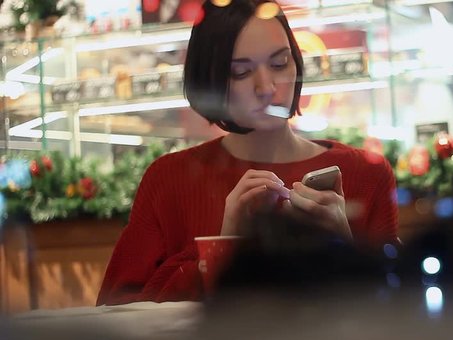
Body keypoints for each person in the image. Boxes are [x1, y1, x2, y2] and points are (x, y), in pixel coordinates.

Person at [97, 0, 398, 305]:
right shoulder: (169, 180)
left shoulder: (365, 174)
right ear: (210, 80)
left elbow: (401, 317)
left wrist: (345, 246)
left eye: (280, 64)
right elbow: (118, 315)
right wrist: (223, 248)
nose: (266, 87)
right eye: (240, 72)